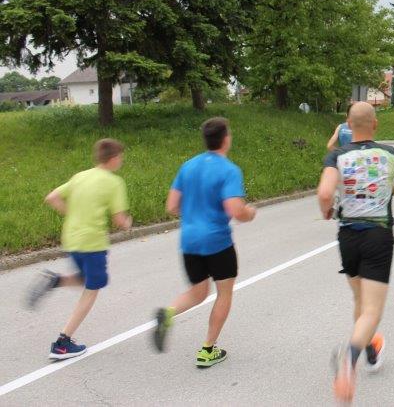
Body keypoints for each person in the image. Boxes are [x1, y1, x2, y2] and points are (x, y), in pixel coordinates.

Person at [317, 102, 394, 403]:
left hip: (347, 235)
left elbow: (325, 193)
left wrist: (326, 210)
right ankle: (349, 358)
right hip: (378, 235)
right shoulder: (390, 154)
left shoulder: (337, 155)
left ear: (348, 125)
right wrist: (390, 188)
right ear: (375, 124)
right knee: (373, 310)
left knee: (361, 302)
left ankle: (370, 348)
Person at [153, 117, 256, 367]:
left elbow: (171, 206)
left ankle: (168, 313)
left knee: (198, 293)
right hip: (217, 241)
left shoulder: (188, 166)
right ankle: (208, 349)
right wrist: (249, 213)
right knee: (224, 293)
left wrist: (193, 214)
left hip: (189, 240)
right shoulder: (229, 170)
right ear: (226, 139)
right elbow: (235, 209)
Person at [28, 138, 132, 360]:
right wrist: (127, 223)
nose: (121, 161)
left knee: (85, 278)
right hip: (92, 242)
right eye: (121, 157)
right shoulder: (114, 182)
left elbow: (52, 197)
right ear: (113, 159)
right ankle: (62, 343)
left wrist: (73, 215)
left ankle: (55, 281)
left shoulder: (80, 176)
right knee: (93, 288)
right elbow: (119, 220)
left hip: (71, 238)